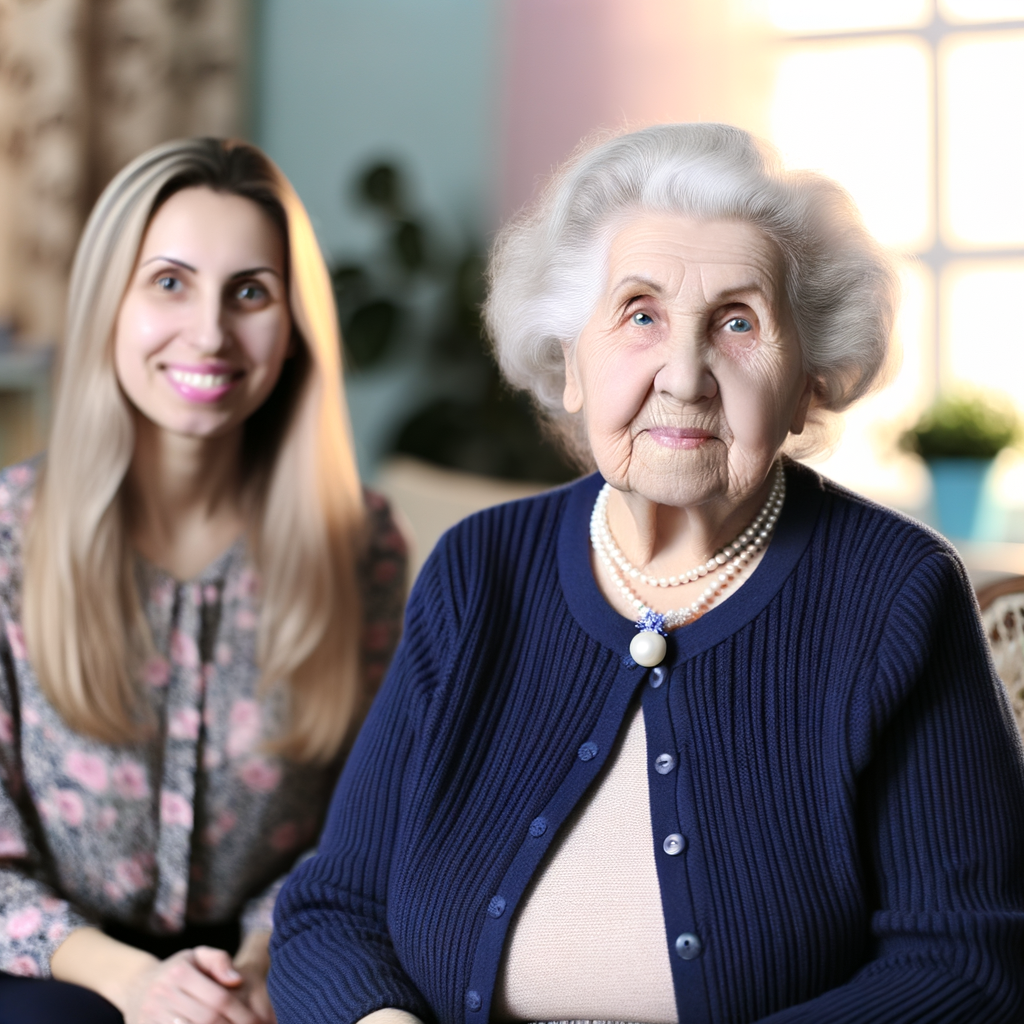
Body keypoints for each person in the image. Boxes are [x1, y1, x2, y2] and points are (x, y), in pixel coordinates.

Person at [267, 123, 1024, 1024]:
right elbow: (335, 909)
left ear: (808, 384)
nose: (685, 374)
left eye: (738, 323)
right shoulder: (480, 573)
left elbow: (967, 966)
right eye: (640, 314)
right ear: (570, 361)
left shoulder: (895, 593)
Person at [0, 139, 407, 1023]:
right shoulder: (5, 538)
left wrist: (260, 962)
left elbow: (362, 829)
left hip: (267, 962)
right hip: (51, 966)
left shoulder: (363, 544)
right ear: (110, 301)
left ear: (294, 324)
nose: (211, 333)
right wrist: (131, 982)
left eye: (250, 292)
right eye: (170, 282)